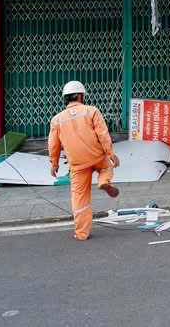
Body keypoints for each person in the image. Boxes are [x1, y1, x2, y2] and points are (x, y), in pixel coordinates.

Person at [48, 81, 121, 241]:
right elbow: (103, 134)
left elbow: (53, 145)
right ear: (81, 96)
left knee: (79, 199)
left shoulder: (57, 120)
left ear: (65, 98)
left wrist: (54, 163)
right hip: (97, 157)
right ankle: (104, 181)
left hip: (77, 164)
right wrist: (111, 154)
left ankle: (82, 233)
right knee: (106, 168)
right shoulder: (91, 111)